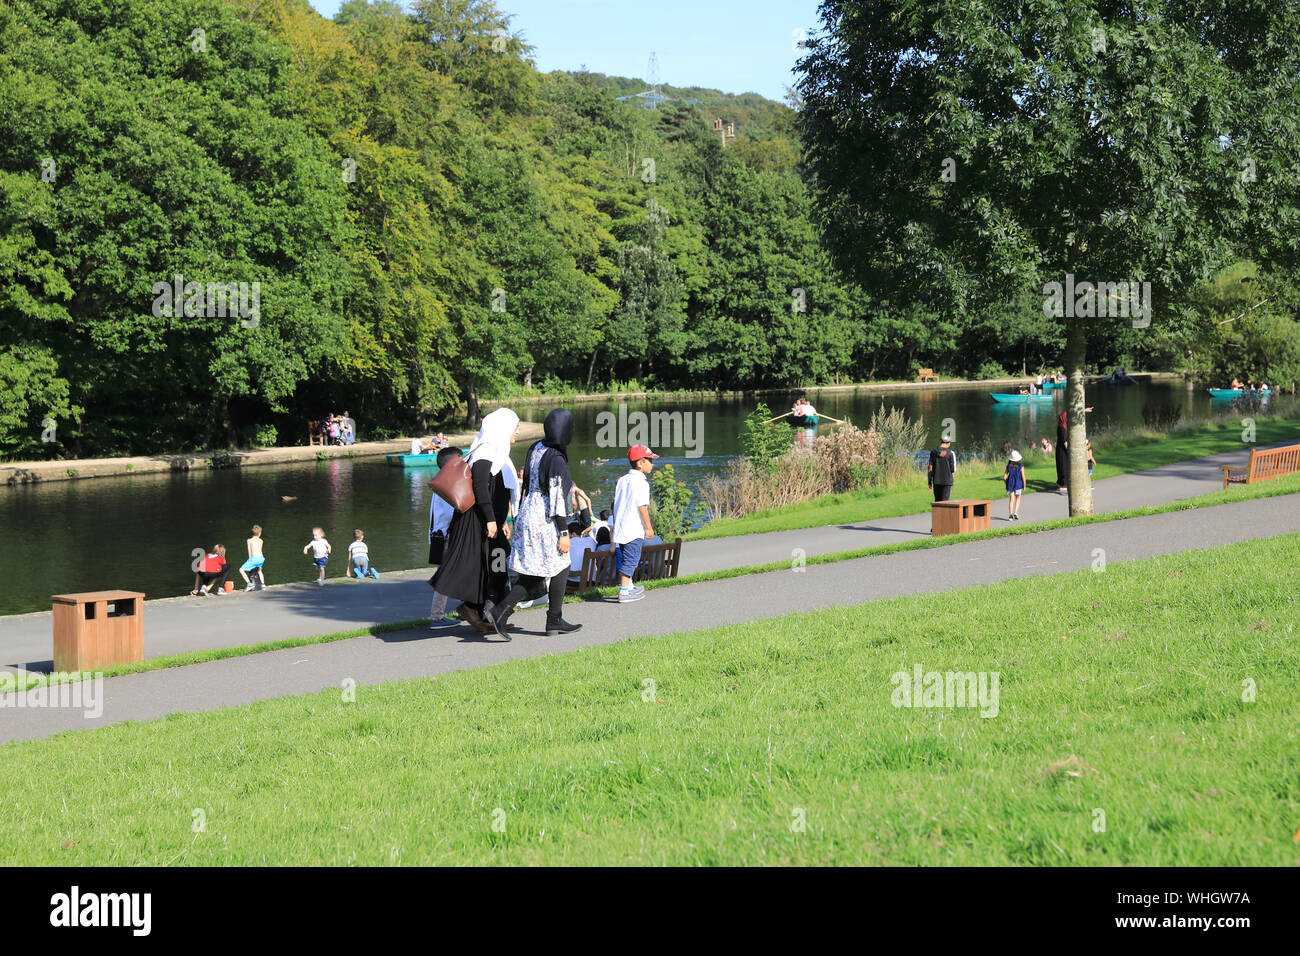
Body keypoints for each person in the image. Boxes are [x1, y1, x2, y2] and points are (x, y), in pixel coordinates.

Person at [485, 408, 584, 637]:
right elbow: (558, 497)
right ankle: (553, 620)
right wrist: (563, 532)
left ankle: (503, 611)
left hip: (529, 511)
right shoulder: (556, 458)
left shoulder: (537, 447)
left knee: (537, 571)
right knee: (561, 564)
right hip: (546, 517)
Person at [430, 408, 520, 636]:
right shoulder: (486, 451)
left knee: (492, 567)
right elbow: (480, 486)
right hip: (480, 522)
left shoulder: (496, 452)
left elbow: (497, 490)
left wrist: (502, 519)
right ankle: (487, 612)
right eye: (514, 426)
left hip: (492, 523)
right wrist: (491, 520)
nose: (517, 431)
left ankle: (479, 611)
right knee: (494, 566)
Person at [612, 445, 657, 604]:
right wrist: (648, 527)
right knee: (632, 559)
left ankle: (629, 586)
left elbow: (616, 504)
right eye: (650, 461)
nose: (652, 464)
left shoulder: (622, 480)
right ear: (640, 463)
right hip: (633, 528)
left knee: (626, 557)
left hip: (621, 527)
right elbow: (642, 507)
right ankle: (624, 592)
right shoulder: (642, 483)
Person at [427, 446, 463, 629]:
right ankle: (436, 616)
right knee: (445, 576)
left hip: (437, 535)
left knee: (451, 573)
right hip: (445, 537)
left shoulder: (439, 481)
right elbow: (455, 511)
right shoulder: (448, 484)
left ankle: (468, 608)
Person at [927, 438, 956, 503]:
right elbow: (953, 469)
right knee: (945, 503)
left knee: (937, 503)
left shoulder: (933, 452)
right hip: (947, 482)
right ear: (948, 443)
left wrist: (929, 482)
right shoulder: (951, 453)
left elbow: (930, 468)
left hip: (936, 481)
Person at [239, 525, 266, 591]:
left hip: (254, 558)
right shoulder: (261, 540)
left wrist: (250, 560)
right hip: (261, 558)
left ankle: (249, 584)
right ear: (259, 533)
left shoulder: (249, 540)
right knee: (259, 570)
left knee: (241, 570)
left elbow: (250, 552)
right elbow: (260, 550)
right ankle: (263, 584)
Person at [1003, 450, 1025, 521]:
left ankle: (1010, 515)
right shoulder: (1021, 466)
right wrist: (1024, 485)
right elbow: (1023, 477)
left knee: (1011, 500)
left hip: (1010, 485)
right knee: (1018, 498)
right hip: (1018, 484)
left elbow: (1004, 477)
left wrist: (1006, 483)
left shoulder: (1008, 467)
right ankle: (1015, 512)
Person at [1055, 410, 1069, 492]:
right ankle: (1063, 484)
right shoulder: (1062, 427)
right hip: (1062, 450)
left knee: (1062, 466)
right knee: (1063, 466)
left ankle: (1060, 482)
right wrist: (1069, 451)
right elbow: (1064, 441)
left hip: (1061, 449)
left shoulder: (1062, 425)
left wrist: (1084, 410)